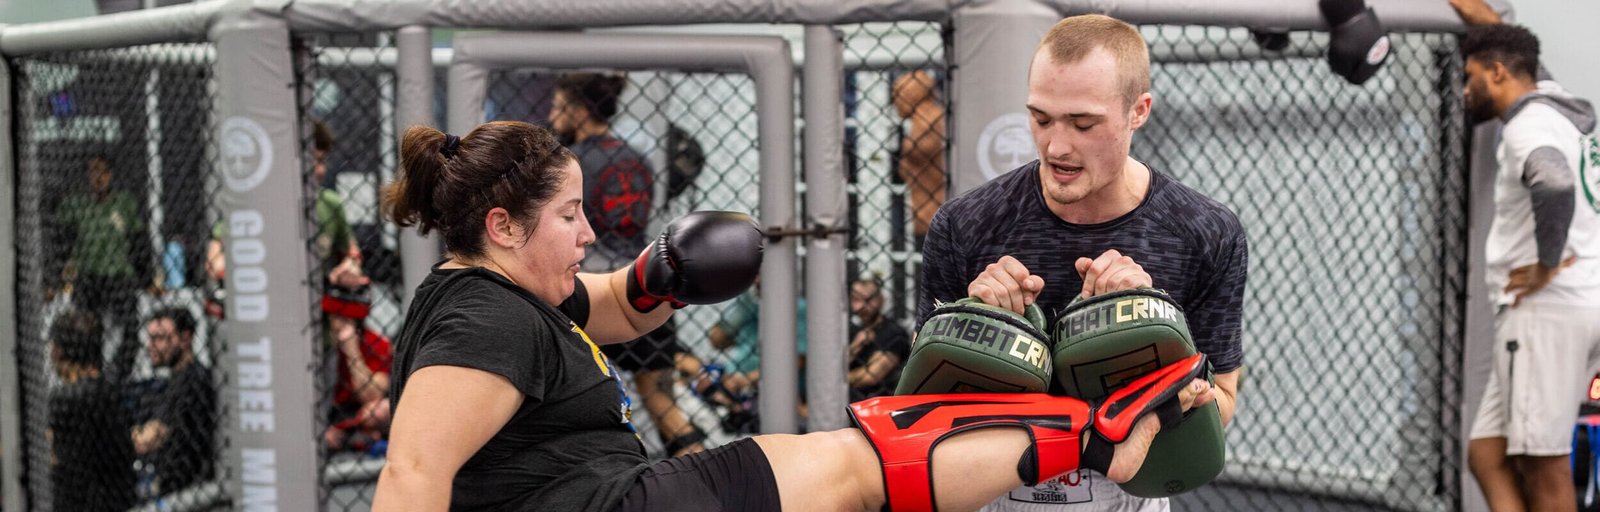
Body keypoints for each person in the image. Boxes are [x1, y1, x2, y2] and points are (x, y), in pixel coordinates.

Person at [370, 120, 1207, 512]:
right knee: (858, 464)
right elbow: (411, 476)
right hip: (611, 507)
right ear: (502, 227)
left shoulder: (515, 293)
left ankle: (1086, 435)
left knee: (866, 461)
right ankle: (1100, 438)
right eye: (568, 218)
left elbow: (619, 302)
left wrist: (666, 273)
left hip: (609, 492)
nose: (589, 233)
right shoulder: (483, 321)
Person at [918, 15, 1246, 511]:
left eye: (1083, 123)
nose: (1056, 146)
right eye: (1041, 118)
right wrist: (975, 327)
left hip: (1128, 496)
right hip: (995, 495)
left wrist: (1149, 331)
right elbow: (920, 407)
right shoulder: (966, 226)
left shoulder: (1205, 233)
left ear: (1139, 111)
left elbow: (1219, 401)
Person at [1452, 11, 1600, 512]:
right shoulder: (1555, 103)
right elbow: (1501, 31)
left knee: (1544, 464)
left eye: (1470, 78)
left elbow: (1553, 180)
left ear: (1498, 72)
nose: (1465, 90)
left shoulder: (1527, 125)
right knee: (1487, 452)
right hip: (1568, 305)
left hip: (1546, 311)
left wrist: (1545, 262)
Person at [549, 72, 707, 456]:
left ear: (579, 111)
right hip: (640, 282)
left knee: (572, 400)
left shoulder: (571, 164)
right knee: (662, 401)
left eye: (557, 108)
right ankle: (710, 480)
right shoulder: (636, 158)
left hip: (587, 291)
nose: (552, 117)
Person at [57, 156, 155, 382]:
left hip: (119, 275)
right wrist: (57, 276)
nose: (98, 178)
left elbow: (138, 241)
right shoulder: (76, 205)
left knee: (130, 329)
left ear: (110, 175)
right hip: (88, 276)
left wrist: (148, 278)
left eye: (102, 172)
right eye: (93, 172)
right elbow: (61, 239)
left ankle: (119, 377)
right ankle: (89, 374)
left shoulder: (124, 202)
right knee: (85, 331)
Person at [48, 309, 137, 511]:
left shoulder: (64, 398)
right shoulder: (111, 390)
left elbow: (52, 455)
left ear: (58, 352)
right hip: (117, 501)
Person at [131, 308, 216, 498]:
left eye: (159, 338)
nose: (150, 345)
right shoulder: (178, 379)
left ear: (185, 339)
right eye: (150, 337)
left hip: (188, 489)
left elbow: (146, 441)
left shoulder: (191, 381)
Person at [893, 69, 948, 241]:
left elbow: (918, 153)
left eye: (897, 94)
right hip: (928, 212)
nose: (895, 101)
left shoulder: (928, 123)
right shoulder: (924, 121)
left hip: (934, 211)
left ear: (911, 95)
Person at [847, 276, 910, 401]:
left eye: (868, 299)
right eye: (856, 299)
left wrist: (838, 379)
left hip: (878, 405)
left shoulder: (894, 332)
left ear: (881, 300)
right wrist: (855, 346)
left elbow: (871, 376)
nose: (861, 306)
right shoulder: (850, 331)